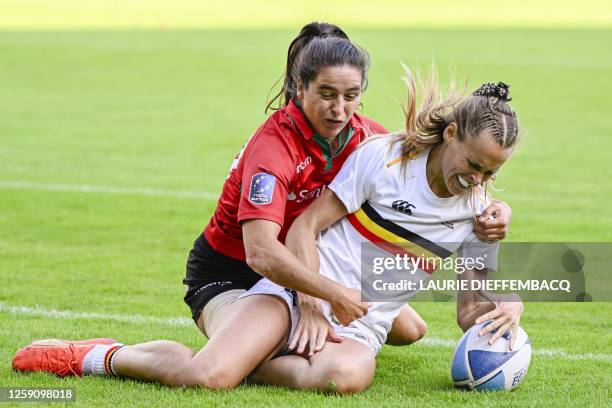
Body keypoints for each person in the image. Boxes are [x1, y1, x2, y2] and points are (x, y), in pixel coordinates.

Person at [11, 24, 512, 391]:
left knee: (406, 331)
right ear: (300, 89)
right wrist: (320, 300)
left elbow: (466, 285)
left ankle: (259, 348)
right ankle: (103, 356)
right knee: (211, 374)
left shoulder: (368, 139)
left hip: (316, 272)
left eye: (352, 97)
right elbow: (267, 252)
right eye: (327, 95)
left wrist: (505, 293)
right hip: (241, 271)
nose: (341, 109)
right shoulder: (278, 151)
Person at [241, 76, 525, 393]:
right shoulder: (389, 156)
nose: (476, 180)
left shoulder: (482, 217)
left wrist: (505, 305)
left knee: (346, 376)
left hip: (361, 325)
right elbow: (306, 226)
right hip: (309, 290)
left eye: (489, 173)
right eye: (473, 164)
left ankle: (255, 367)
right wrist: (314, 303)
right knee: (208, 373)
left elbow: (469, 311)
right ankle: (250, 351)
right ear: (450, 133)